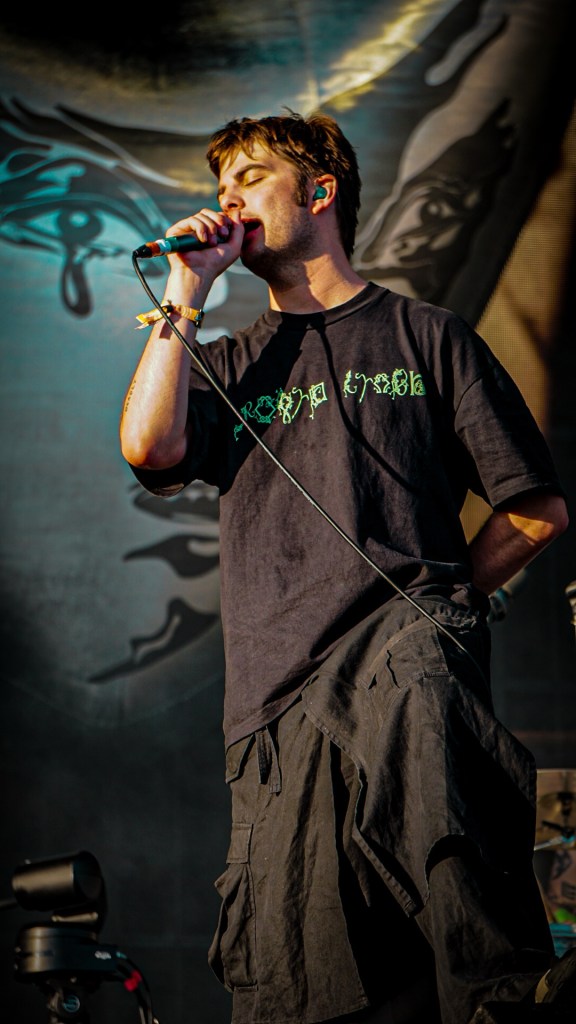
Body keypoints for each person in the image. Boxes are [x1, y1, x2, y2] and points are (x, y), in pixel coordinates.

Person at [120, 111, 572, 1023]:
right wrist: (185, 287)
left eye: (250, 178)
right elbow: (148, 447)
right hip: (276, 701)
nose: (227, 201)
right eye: (220, 188)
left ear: (320, 193)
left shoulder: (426, 335)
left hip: (405, 657)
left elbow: (535, 508)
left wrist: (443, 600)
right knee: (299, 980)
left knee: (461, 892)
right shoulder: (232, 363)